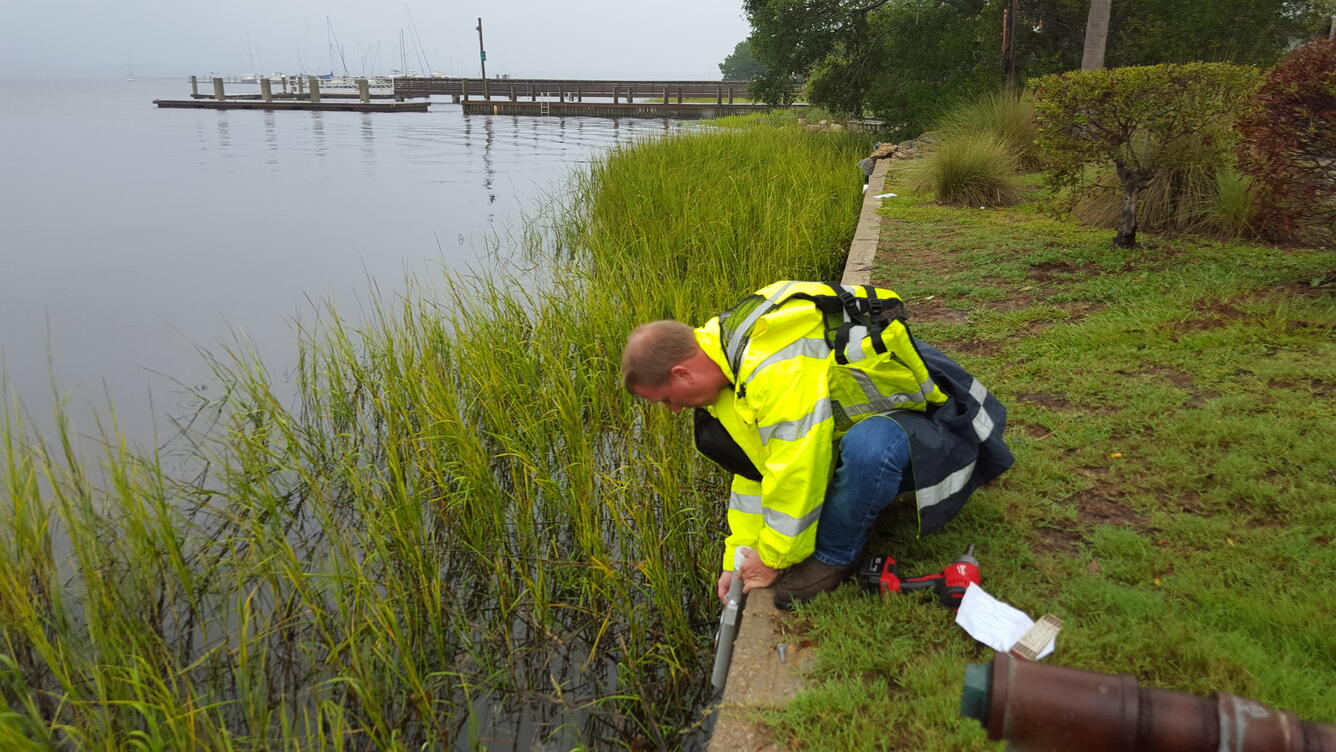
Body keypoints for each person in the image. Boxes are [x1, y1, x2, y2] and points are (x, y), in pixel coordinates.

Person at [621, 281, 1013, 609]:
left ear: (681, 373)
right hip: (884, 417)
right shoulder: (728, 369)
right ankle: (854, 507)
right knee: (853, 447)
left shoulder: (769, 365)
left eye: (666, 399)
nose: (673, 410)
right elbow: (757, 472)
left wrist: (774, 559)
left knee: (867, 447)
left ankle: (833, 558)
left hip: (933, 419)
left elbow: (797, 467)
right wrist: (737, 557)